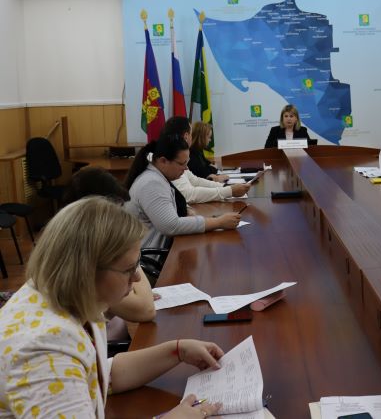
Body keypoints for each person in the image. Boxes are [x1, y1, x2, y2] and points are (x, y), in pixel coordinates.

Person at [0, 197, 222, 418]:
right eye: (128, 269)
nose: (137, 277)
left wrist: (177, 351)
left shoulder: (73, 297)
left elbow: (102, 376)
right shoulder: (44, 350)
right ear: (87, 271)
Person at [63, 166, 156, 341]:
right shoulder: (85, 259)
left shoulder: (90, 244)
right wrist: (128, 259)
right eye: (116, 212)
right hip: (108, 346)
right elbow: (146, 309)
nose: (120, 218)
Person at [124, 131, 241, 248]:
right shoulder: (152, 183)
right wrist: (219, 222)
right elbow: (171, 226)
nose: (186, 169)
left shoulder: (158, 176)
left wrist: (187, 210)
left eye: (187, 163)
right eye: (182, 164)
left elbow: (171, 203)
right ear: (163, 161)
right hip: (150, 255)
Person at [163, 117, 250, 204]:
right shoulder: (171, 158)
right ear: (186, 137)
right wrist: (229, 191)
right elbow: (189, 195)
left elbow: (195, 181)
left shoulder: (178, 154)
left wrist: (226, 186)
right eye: (191, 134)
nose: (186, 167)